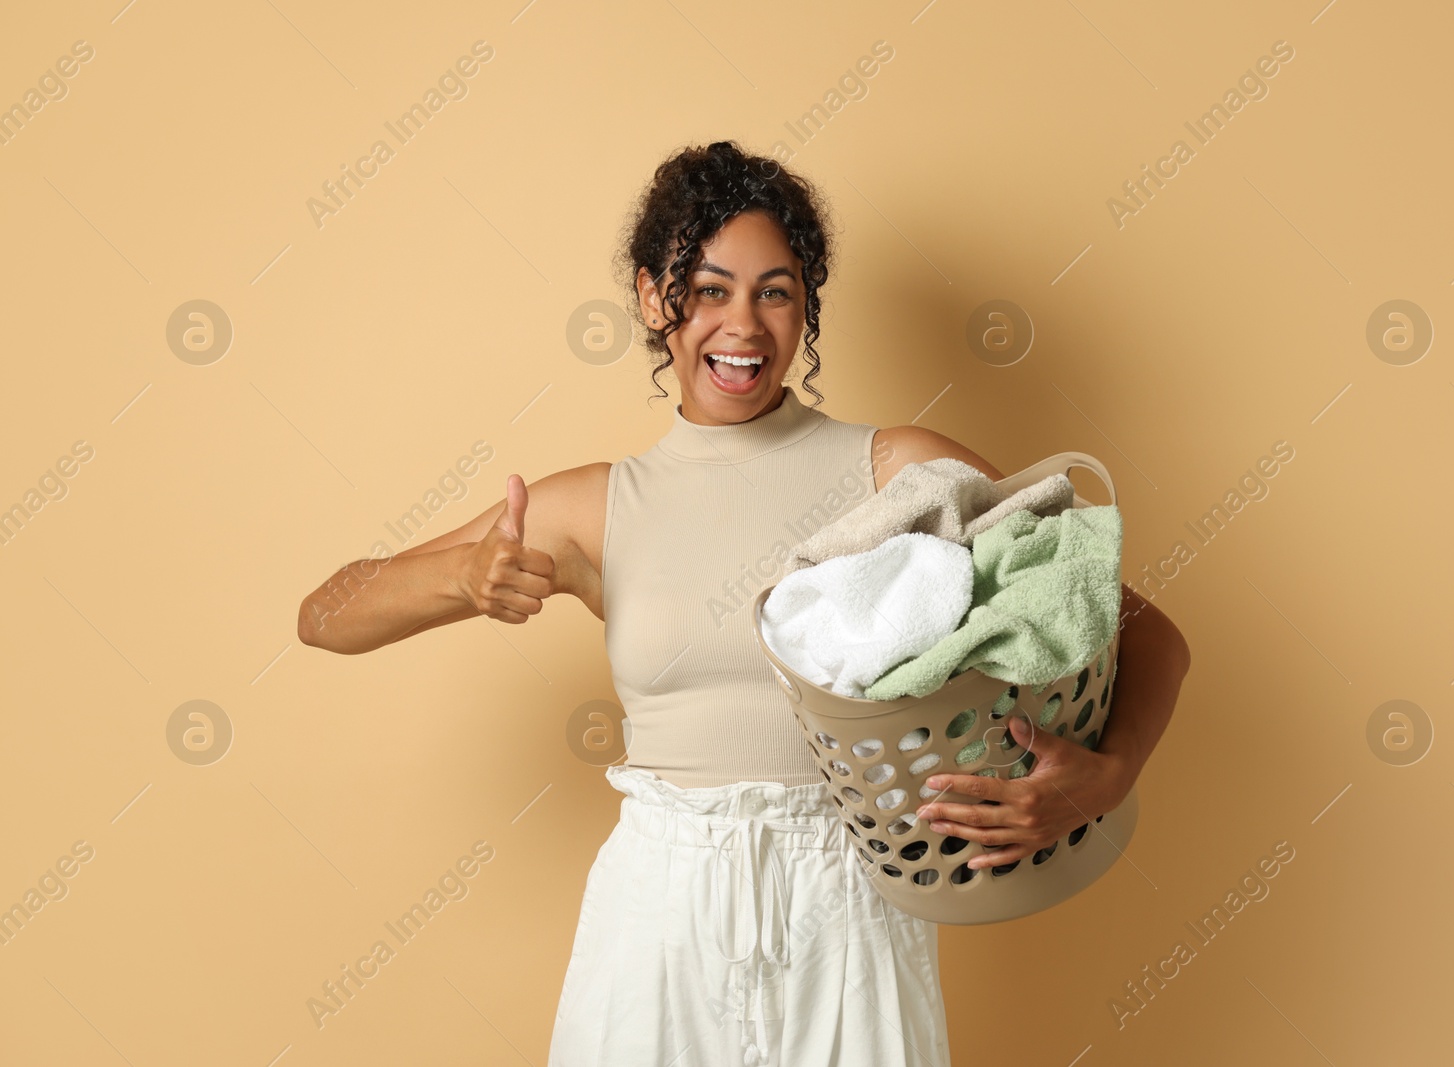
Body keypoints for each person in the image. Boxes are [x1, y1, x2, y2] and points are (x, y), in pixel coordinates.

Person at [298, 140, 1191, 1066]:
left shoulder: (898, 473)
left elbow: (1142, 628)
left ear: (806, 307)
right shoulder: (598, 506)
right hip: (661, 906)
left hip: (851, 895)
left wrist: (1110, 772)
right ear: (654, 298)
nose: (744, 325)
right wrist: (463, 577)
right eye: (710, 289)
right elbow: (325, 615)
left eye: (776, 291)